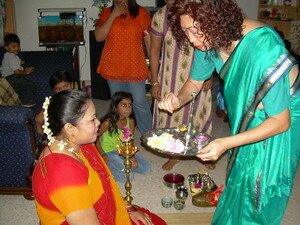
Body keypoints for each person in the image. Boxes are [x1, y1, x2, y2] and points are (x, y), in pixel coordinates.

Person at [158, 0, 300, 224]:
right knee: (240, 173)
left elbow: (281, 121)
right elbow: (195, 83)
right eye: (186, 32)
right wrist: (177, 99)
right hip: (251, 111)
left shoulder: (262, 50)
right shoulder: (210, 40)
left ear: (216, 19)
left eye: (196, 31)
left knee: (259, 187)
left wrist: (226, 142)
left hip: (281, 114)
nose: (193, 40)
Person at [32, 89, 166, 225]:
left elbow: (105, 183)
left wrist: (128, 208)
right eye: (92, 119)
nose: (98, 122)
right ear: (69, 128)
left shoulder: (81, 145)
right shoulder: (64, 173)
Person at [149, 0, 213, 170]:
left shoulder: (198, 13)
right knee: (173, 118)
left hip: (198, 73)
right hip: (171, 78)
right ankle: (174, 154)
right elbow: (154, 50)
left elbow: (212, 48)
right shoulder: (160, 17)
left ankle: (204, 152)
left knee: (198, 114)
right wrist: (154, 81)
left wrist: (209, 75)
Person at [94, 0, 152, 135]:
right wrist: (113, 14)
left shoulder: (141, 12)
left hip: (135, 66)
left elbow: (149, 41)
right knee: (119, 104)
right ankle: (121, 135)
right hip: (113, 67)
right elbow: (98, 37)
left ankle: (149, 136)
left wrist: (153, 67)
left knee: (139, 103)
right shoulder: (107, 12)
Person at [95, 91, 151, 183]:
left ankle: (121, 166)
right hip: (110, 152)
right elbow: (95, 137)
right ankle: (103, 169)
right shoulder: (107, 123)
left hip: (125, 151)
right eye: (123, 105)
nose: (128, 109)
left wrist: (132, 156)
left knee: (146, 168)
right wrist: (102, 154)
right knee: (128, 177)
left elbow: (131, 140)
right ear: (115, 107)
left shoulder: (131, 121)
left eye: (130, 105)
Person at [0, 33, 35, 107]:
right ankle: (27, 103)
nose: (17, 48)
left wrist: (21, 63)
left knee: (20, 88)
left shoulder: (8, 55)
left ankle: (20, 102)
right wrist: (26, 71)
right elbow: (17, 72)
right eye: (13, 46)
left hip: (6, 78)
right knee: (30, 85)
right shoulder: (12, 57)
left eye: (18, 46)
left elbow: (15, 64)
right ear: (6, 48)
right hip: (10, 78)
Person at [35, 70, 74, 135]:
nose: (63, 91)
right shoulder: (52, 103)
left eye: (66, 86)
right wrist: (43, 134)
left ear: (71, 85)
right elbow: (37, 121)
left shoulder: (79, 100)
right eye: (58, 89)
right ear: (54, 91)